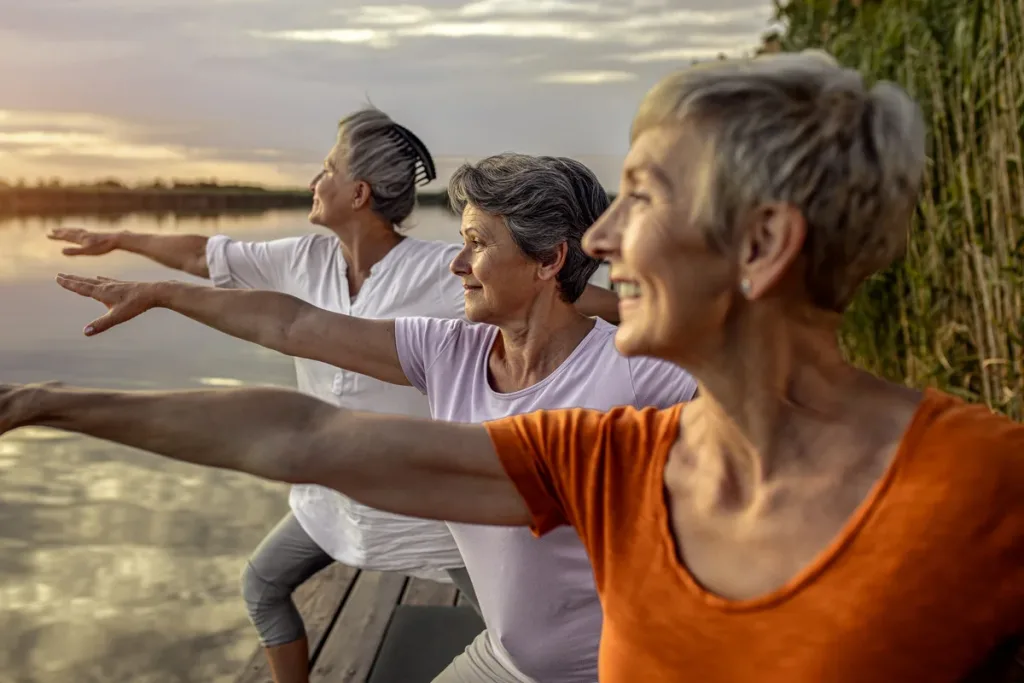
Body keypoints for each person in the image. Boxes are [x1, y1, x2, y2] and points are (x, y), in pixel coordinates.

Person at [7, 49, 1022, 682]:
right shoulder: (613, 459)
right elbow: (305, 429)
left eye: (641, 198)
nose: (606, 238)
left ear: (760, 245)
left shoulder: (983, 488)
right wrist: (43, 397)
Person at [53, 152, 698, 683]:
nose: (456, 263)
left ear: (550, 259)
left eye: (476, 244)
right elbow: (294, 322)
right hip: (507, 664)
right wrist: (164, 293)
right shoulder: (449, 349)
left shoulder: (642, 372)